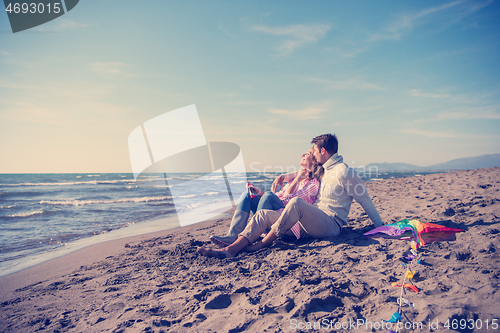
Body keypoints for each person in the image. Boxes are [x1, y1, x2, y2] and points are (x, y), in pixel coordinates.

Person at [197, 133, 383, 259]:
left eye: (315, 151)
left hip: (331, 225)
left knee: (296, 203)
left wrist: (382, 229)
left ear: (323, 151)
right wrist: (285, 176)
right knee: (262, 215)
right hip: (311, 220)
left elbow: (365, 201)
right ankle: (232, 249)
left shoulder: (344, 172)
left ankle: (263, 243)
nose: (314, 155)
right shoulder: (324, 171)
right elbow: (302, 172)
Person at [210, 148, 323, 247]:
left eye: (307, 153)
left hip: (286, 224)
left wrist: (298, 178)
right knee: (247, 195)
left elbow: (289, 200)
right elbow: (278, 199)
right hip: (274, 214)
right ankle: (233, 236)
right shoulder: (294, 177)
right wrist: (258, 192)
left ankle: (254, 234)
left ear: (314, 161)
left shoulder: (313, 184)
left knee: (269, 195)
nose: (302, 155)